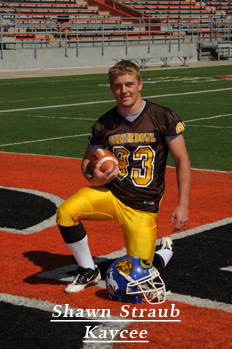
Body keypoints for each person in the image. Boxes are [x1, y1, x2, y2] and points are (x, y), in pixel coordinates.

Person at [57, 60, 191, 294]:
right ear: (111, 88)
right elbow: (86, 163)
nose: (124, 91)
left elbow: (182, 160)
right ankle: (88, 269)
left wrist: (183, 205)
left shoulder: (163, 117)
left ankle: (164, 252)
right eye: (118, 86)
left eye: (129, 84)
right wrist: (94, 176)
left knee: (138, 279)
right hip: (111, 193)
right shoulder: (104, 124)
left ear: (140, 84)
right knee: (66, 212)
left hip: (143, 204)